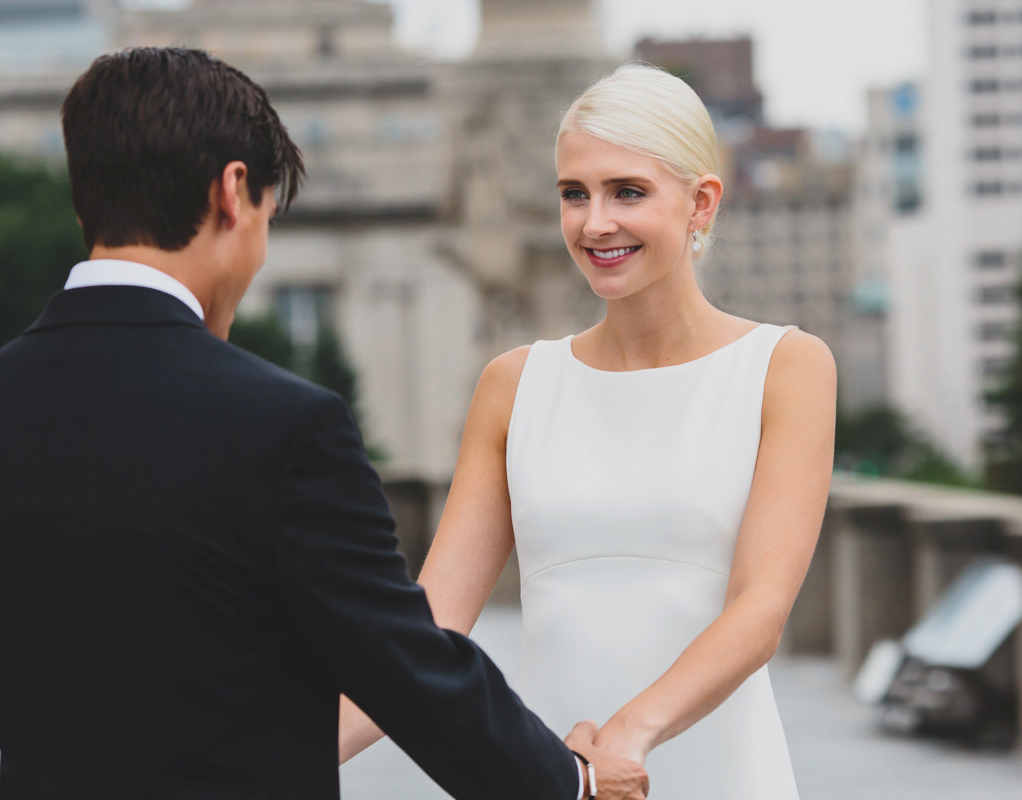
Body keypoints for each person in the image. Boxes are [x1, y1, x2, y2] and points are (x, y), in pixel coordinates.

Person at [0, 48, 649, 800]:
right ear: (232, 192)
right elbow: (407, 668)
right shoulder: (285, 429)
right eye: (266, 215)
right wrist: (572, 782)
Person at [339, 64, 836, 798]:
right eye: (575, 194)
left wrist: (630, 734)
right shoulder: (513, 386)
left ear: (701, 202)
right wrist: (276, 753)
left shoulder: (786, 368)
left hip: (715, 771)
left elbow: (760, 609)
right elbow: (430, 626)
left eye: (627, 192)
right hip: (561, 779)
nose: (594, 222)